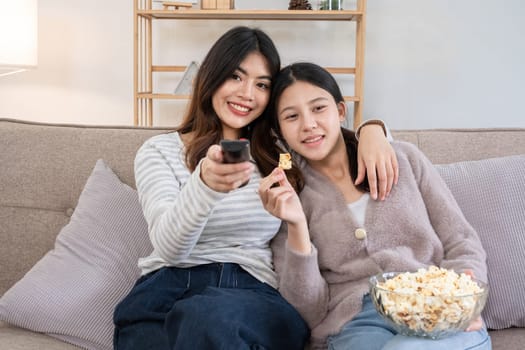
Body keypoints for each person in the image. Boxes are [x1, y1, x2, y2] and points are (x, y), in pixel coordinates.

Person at [113, 27, 397, 349]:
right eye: (236, 77)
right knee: (181, 326)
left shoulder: (279, 154)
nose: (248, 94)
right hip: (166, 290)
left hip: (250, 294)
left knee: (207, 318)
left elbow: (327, 139)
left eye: (261, 84)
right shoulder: (159, 151)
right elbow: (169, 249)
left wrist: (373, 129)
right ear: (211, 76)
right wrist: (204, 186)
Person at [257, 62, 491, 350]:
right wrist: (297, 225)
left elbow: (461, 240)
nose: (308, 124)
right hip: (356, 324)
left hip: (433, 309)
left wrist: (461, 299)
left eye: (319, 108)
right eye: (292, 116)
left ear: (341, 111)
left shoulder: (403, 158)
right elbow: (308, 310)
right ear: (280, 130)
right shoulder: (289, 195)